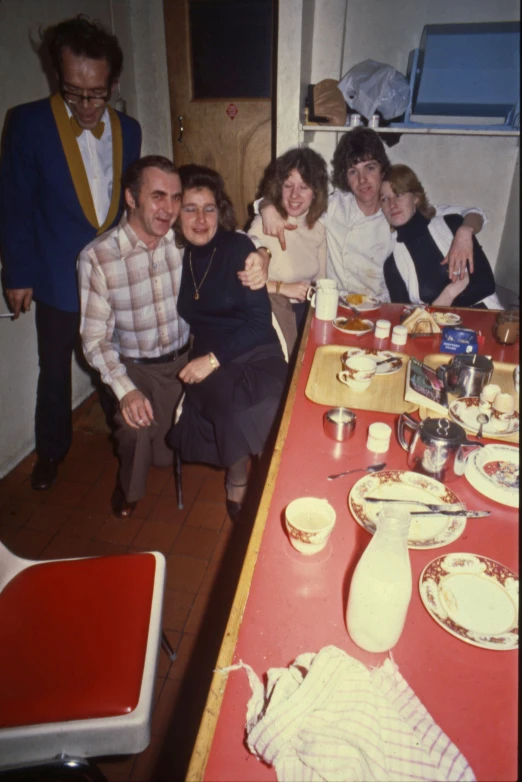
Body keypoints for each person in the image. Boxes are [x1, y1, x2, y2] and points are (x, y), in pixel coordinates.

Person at [79, 157, 269, 518]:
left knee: (167, 453)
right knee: (134, 427)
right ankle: (129, 492)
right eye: (157, 196)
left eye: (175, 197)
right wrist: (125, 389)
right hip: (135, 367)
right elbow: (94, 339)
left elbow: (229, 237)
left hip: (185, 359)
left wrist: (262, 252)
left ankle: (231, 471)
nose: (169, 209)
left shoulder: (179, 239)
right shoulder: (97, 258)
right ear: (131, 198)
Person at [0, 15, 142, 491]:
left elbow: (130, 203)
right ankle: (52, 452)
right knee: (54, 369)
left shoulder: (130, 130)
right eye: (73, 90)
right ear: (59, 76)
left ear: (113, 83)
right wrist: (17, 273)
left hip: (111, 275)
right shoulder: (27, 123)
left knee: (116, 362)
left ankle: (130, 445)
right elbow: (15, 204)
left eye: (96, 92)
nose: (84, 104)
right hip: (57, 275)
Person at [168, 165, 287, 519]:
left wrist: (262, 253)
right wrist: (209, 361)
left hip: (256, 351)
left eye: (209, 209)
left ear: (221, 212)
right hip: (209, 356)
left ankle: (274, 483)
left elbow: (257, 322)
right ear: (177, 214)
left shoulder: (238, 247)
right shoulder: (178, 255)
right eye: (190, 208)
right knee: (227, 402)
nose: (201, 219)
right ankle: (237, 479)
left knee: (268, 404)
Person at [257, 128, 485, 300]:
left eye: (370, 168)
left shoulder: (397, 210)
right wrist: (266, 206)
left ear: (382, 169)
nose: (362, 180)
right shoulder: (334, 205)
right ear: (344, 177)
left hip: (380, 307)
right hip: (337, 304)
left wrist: (465, 232)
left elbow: (472, 213)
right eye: (353, 172)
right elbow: (296, 200)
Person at [380, 165, 497, 308]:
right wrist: (448, 295)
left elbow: (486, 284)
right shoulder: (392, 265)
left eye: (398, 194)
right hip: (437, 329)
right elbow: (405, 318)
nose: (392, 204)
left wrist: (442, 300)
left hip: (486, 321)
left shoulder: (453, 225)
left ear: (416, 197)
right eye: (384, 199)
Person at [248, 147, 328, 356]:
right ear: (278, 187)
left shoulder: (318, 227)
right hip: (270, 319)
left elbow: (321, 280)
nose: (294, 195)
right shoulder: (266, 224)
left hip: (305, 316)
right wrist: (283, 287)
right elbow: (240, 284)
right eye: (288, 185)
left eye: (304, 187)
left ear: (315, 193)